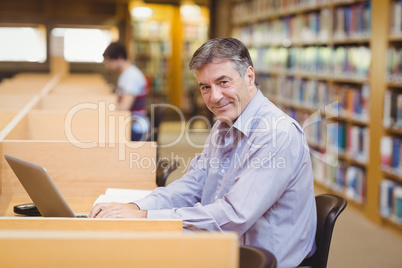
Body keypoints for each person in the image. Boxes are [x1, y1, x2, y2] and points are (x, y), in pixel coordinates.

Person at [90, 38, 317, 267]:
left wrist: (147, 217)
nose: (215, 97)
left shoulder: (276, 134)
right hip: (224, 246)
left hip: (257, 259)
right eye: (205, 87)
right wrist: (138, 207)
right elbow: (193, 185)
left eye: (223, 82)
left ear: (249, 77)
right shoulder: (225, 123)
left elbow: (234, 216)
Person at [103, 42, 149, 141]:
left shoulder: (131, 76)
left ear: (120, 58)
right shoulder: (126, 74)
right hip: (130, 123)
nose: (107, 66)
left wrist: (111, 107)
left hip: (136, 127)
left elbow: (124, 107)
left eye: (109, 61)